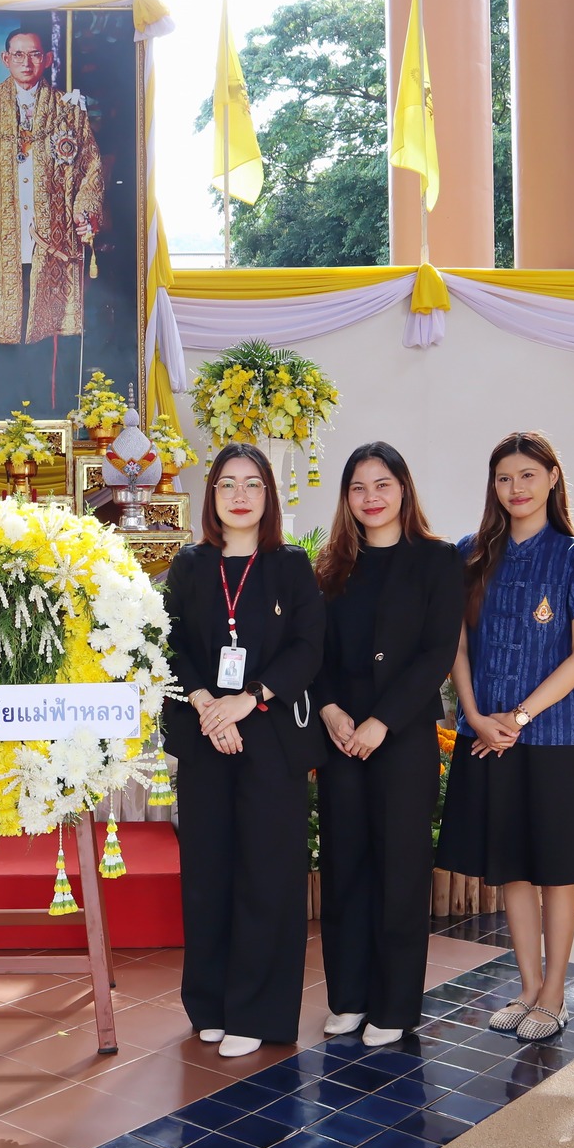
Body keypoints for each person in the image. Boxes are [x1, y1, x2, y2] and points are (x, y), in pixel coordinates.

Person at [438, 432, 574, 1044]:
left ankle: (557, 993)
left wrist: (518, 718)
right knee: (511, 868)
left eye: (528, 476)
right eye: (505, 478)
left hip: (554, 739)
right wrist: (474, 713)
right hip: (485, 735)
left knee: (555, 872)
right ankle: (527, 986)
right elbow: (456, 645)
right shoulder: (471, 554)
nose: (516, 488)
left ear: (552, 479)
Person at [162, 443, 325, 1058]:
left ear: (268, 495)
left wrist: (250, 699)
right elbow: (168, 643)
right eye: (227, 483)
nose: (239, 495)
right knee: (207, 873)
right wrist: (207, 703)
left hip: (270, 740)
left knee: (267, 876)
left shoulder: (290, 566)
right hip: (205, 737)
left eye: (252, 484)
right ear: (212, 496)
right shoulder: (190, 566)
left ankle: (258, 1012)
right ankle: (209, 1003)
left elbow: (309, 648)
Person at [312, 443, 465, 1047]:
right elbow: (313, 652)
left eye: (383, 483)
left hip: (399, 741)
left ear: (404, 488)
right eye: (358, 487)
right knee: (345, 868)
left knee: (400, 872)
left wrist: (383, 721)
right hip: (341, 738)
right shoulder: (330, 566)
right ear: (346, 498)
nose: (371, 497)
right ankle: (348, 998)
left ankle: (395, 1006)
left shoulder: (437, 560)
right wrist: (329, 710)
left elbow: (436, 654)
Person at [0, 25, 104, 400]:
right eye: (18, 54)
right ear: (5, 58)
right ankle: (2, 418)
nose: (26, 62)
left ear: (46, 59)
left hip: (52, 242)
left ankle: (51, 422)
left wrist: (85, 211)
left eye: (34, 54)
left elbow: (91, 168)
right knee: (0, 333)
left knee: (48, 340)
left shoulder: (67, 108)